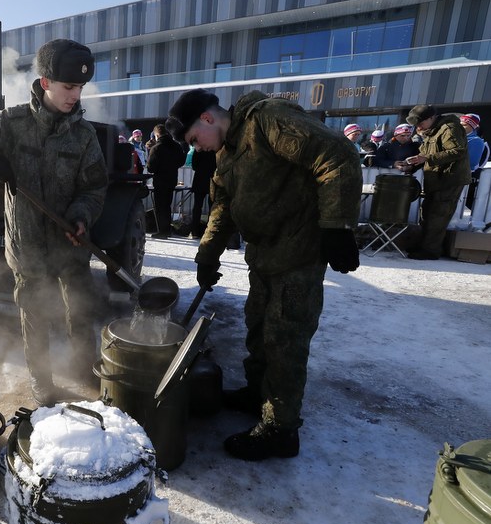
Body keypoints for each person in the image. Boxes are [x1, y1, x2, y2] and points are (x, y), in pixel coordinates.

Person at [166, 88, 361, 461]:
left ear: (207, 119)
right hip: (265, 256)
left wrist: (337, 226)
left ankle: (281, 429)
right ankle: (258, 394)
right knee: (258, 328)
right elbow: (223, 206)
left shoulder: (267, 120)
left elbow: (336, 155)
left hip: (298, 255)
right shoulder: (227, 151)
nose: (198, 148)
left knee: (285, 339)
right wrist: (207, 256)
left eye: (194, 140)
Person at [0, 39, 107, 405]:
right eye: (68, 87)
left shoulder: (84, 136)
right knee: (33, 313)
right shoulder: (10, 123)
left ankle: (84, 368)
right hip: (27, 243)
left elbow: (94, 188)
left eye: (80, 88)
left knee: (78, 307)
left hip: (71, 243)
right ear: (46, 82)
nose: (75, 96)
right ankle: (42, 381)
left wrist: (82, 216)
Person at [404, 105, 471, 260]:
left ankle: (430, 251)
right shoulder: (432, 131)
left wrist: (426, 158)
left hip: (449, 179)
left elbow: (458, 151)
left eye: (420, 123)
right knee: (427, 212)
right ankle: (424, 246)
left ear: (431, 118)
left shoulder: (449, 128)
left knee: (438, 215)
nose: (418, 127)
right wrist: (412, 164)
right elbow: (426, 153)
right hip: (437, 179)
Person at [146, 123, 186, 239]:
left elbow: (151, 168)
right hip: (172, 178)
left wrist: (150, 151)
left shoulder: (156, 148)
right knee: (167, 205)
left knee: (160, 206)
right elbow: (181, 161)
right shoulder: (176, 146)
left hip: (160, 180)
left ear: (156, 135)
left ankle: (162, 231)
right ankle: (167, 229)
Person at [461, 113, 489, 209]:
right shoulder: (458, 138)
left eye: (464, 124)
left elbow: (473, 163)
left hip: (467, 178)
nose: (460, 126)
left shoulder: (476, 141)